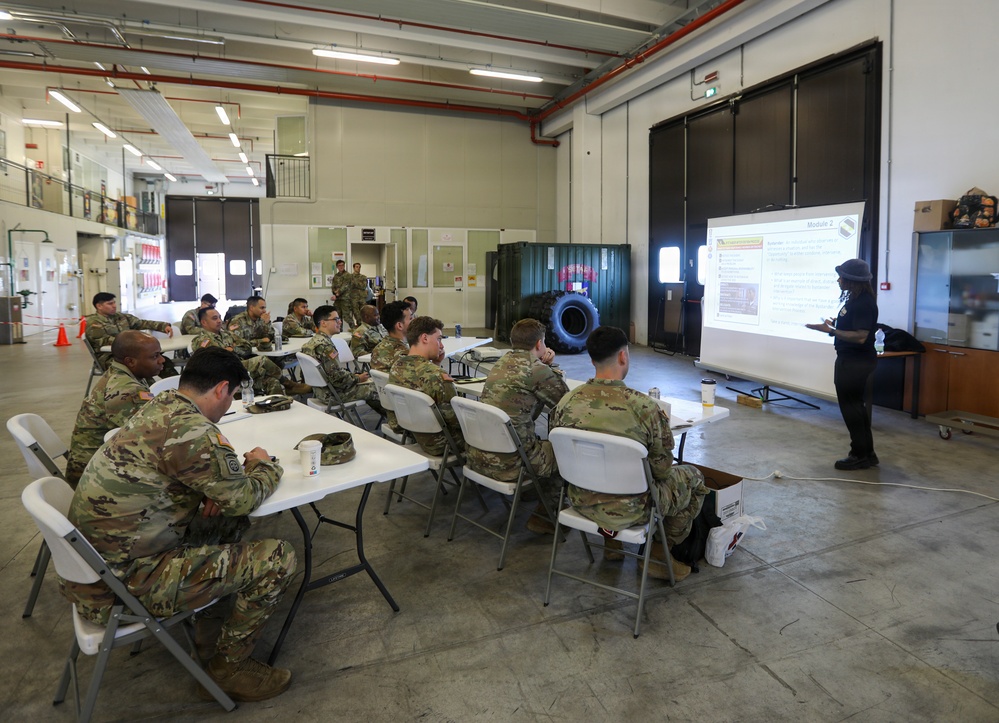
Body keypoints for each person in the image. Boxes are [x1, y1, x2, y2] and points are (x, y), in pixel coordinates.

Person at [63, 347, 296, 702]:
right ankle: (229, 669)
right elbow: (244, 498)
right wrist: (263, 464)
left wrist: (204, 491)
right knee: (277, 557)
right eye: (231, 396)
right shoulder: (194, 432)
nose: (229, 405)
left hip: (95, 571)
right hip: (123, 585)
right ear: (221, 389)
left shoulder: (159, 407)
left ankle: (209, 628)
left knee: (225, 526)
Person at [549, 326, 707, 581]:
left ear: (592, 359)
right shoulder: (644, 407)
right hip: (634, 510)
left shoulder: (566, 402)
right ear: (623, 356)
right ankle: (658, 555)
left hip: (580, 500)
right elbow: (662, 471)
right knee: (695, 478)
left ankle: (612, 545)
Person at [469, 318, 568, 533]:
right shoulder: (535, 369)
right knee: (563, 452)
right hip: (512, 463)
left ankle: (535, 490)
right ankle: (545, 517)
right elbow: (566, 403)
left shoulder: (501, 363)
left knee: (539, 443)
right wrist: (549, 368)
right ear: (540, 344)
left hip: (481, 456)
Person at [806, 258, 880, 470]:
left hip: (855, 362)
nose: (838, 280)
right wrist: (837, 324)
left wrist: (829, 330)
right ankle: (867, 453)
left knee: (851, 409)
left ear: (852, 280)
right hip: (852, 360)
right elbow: (854, 328)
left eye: (842, 277)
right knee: (856, 407)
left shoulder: (864, 302)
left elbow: (860, 336)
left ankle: (859, 455)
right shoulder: (857, 299)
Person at [65, 330, 163, 487]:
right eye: (155, 356)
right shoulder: (126, 389)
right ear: (130, 361)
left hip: (101, 461)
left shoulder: (123, 373)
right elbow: (156, 438)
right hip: (94, 478)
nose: (161, 360)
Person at [388, 316, 465, 455]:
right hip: (442, 443)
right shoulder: (436, 376)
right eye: (439, 339)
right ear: (424, 338)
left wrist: (436, 364)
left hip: (413, 433)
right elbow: (456, 421)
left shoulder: (396, 367)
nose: (441, 346)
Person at [192, 307, 291, 396]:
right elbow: (220, 358)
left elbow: (247, 347)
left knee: (272, 382)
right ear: (204, 322)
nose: (219, 321)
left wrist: (233, 349)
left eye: (219, 317)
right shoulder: (201, 340)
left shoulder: (226, 334)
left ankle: (277, 407)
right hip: (225, 375)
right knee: (262, 361)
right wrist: (231, 350)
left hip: (240, 369)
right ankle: (287, 383)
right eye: (214, 318)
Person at [301, 305, 382, 414]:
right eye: (336, 319)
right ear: (323, 323)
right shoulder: (325, 346)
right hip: (333, 395)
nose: (340, 322)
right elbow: (337, 379)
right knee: (378, 388)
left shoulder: (312, 343)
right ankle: (397, 424)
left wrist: (354, 376)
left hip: (320, 392)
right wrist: (357, 379)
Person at [84, 292, 177, 375]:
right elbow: (103, 341)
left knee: (162, 362)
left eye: (114, 302)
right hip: (110, 357)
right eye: (110, 304)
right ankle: (148, 391)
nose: (114, 306)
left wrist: (163, 326)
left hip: (132, 354)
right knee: (142, 365)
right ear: (99, 306)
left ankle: (175, 387)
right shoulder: (93, 323)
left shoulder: (121, 317)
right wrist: (134, 343)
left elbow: (141, 323)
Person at [370, 301, 412, 372]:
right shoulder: (405, 354)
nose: (414, 321)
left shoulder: (378, 348)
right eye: (411, 318)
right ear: (399, 326)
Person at [329, 260, 352, 328]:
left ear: (344, 266)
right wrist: (334, 293)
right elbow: (333, 286)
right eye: (339, 265)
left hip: (345, 299)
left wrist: (337, 294)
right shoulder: (336, 276)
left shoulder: (348, 275)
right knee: (337, 317)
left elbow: (345, 286)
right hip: (337, 300)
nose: (341, 267)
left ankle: (354, 330)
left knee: (347, 317)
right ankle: (339, 332)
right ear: (337, 267)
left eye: (342, 265)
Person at [349, 262, 368, 331]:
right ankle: (359, 326)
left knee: (364, 312)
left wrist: (355, 283)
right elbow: (349, 287)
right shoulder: (350, 277)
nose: (358, 268)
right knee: (356, 313)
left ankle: (364, 327)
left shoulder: (363, 277)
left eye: (359, 267)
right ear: (354, 268)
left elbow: (363, 286)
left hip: (362, 298)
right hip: (354, 298)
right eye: (357, 267)